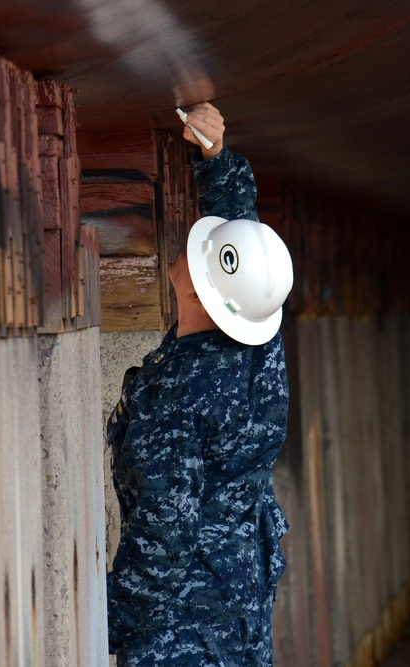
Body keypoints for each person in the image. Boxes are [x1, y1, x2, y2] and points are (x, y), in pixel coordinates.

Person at [106, 103, 294, 667]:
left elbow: (166, 530)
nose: (190, 244)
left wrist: (110, 623)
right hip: (242, 595)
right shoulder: (261, 342)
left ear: (198, 293)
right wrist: (216, 156)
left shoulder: (175, 392)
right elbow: (245, 251)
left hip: (183, 629)